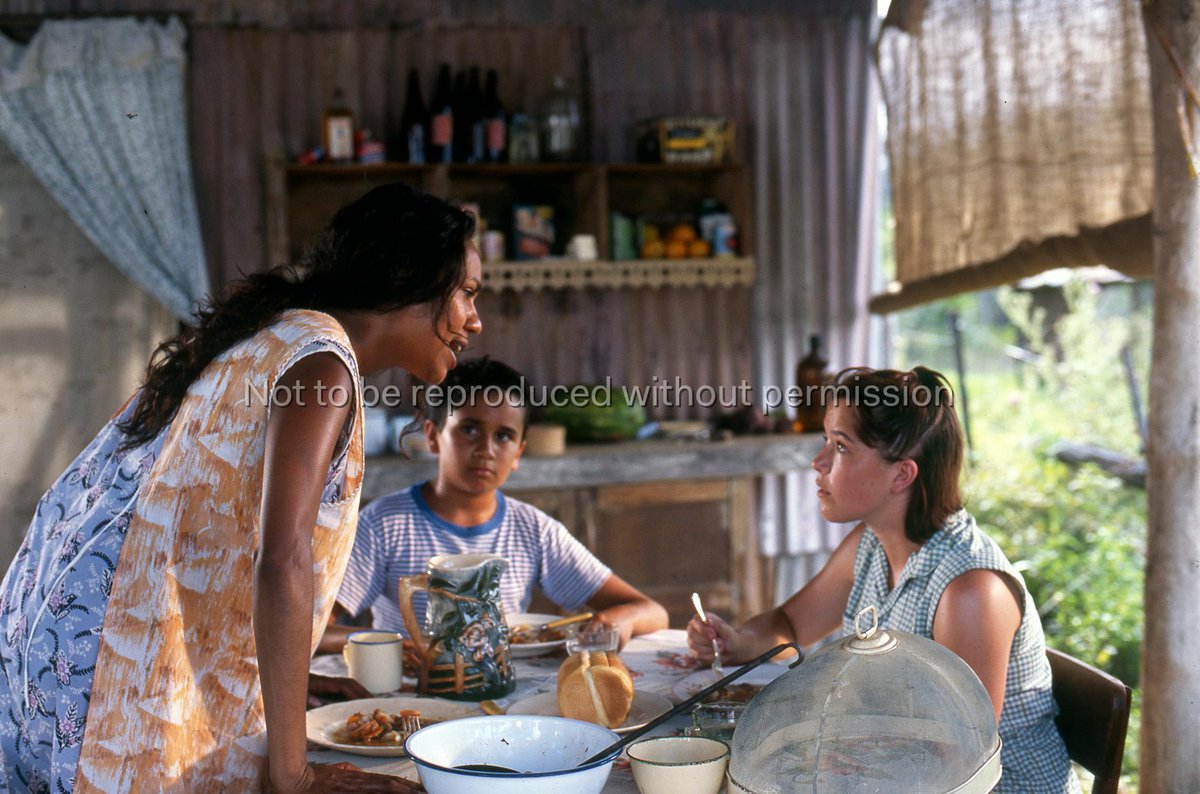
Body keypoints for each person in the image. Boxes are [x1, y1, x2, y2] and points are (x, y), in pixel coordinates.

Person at [0, 182, 482, 793]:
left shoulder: (271, 335)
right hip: (106, 665)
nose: (475, 319)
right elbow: (282, 559)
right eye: (466, 293)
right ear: (410, 278)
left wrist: (291, 677)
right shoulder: (323, 364)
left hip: (49, 647)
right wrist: (295, 775)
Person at [687, 366, 1080, 793]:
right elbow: (791, 623)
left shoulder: (970, 590)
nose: (818, 462)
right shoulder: (870, 544)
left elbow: (961, 760)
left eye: (841, 446)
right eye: (826, 440)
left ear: (902, 475)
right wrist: (739, 641)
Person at [319, 357, 668, 655]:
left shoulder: (532, 529)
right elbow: (315, 630)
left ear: (518, 453)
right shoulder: (385, 523)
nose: (486, 450)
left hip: (506, 698)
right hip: (409, 697)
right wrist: (397, 645)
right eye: (469, 430)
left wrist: (618, 618)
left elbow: (651, 611)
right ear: (432, 436)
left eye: (503, 436)